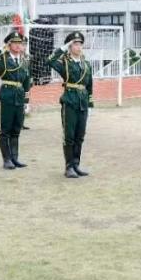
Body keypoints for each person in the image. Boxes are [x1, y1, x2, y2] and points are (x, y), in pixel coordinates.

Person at [49, 31, 93, 178]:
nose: (78, 46)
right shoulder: (64, 63)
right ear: (69, 46)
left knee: (80, 135)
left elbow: (90, 84)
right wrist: (62, 48)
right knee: (69, 135)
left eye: (80, 44)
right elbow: (49, 60)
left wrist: (90, 103)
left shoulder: (86, 64)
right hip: (70, 100)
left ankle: (76, 164)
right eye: (75, 44)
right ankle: (68, 167)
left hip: (83, 101)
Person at [0, 31, 32, 170]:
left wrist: (26, 101)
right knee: (5, 129)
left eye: (20, 43)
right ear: (9, 44)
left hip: (19, 96)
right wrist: (1, 48)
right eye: (15, 43)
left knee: (16, 128)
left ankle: (15, 158)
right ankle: (7, 159)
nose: (18, 46)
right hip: (7, 95)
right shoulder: (3, 59)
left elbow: (26, 81)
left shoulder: (24, 60)